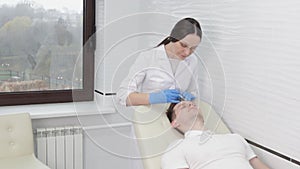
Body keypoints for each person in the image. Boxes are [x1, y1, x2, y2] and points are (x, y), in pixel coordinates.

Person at [116, 18, 202, 106]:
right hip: (149, 116)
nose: (187, 52)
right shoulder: (148, 57)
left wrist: (191, 96)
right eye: (183, 45)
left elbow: (193, 92)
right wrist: (152, 98)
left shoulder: (192, 60)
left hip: (176, 117)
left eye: (193, 48)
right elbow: (121, 96)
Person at [162, 101, 271, 169]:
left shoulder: (235, 138)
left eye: (191, 103)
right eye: (182, 106)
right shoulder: (177, 148)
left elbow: (259, 166)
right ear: (175, 123)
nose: (190, 104)